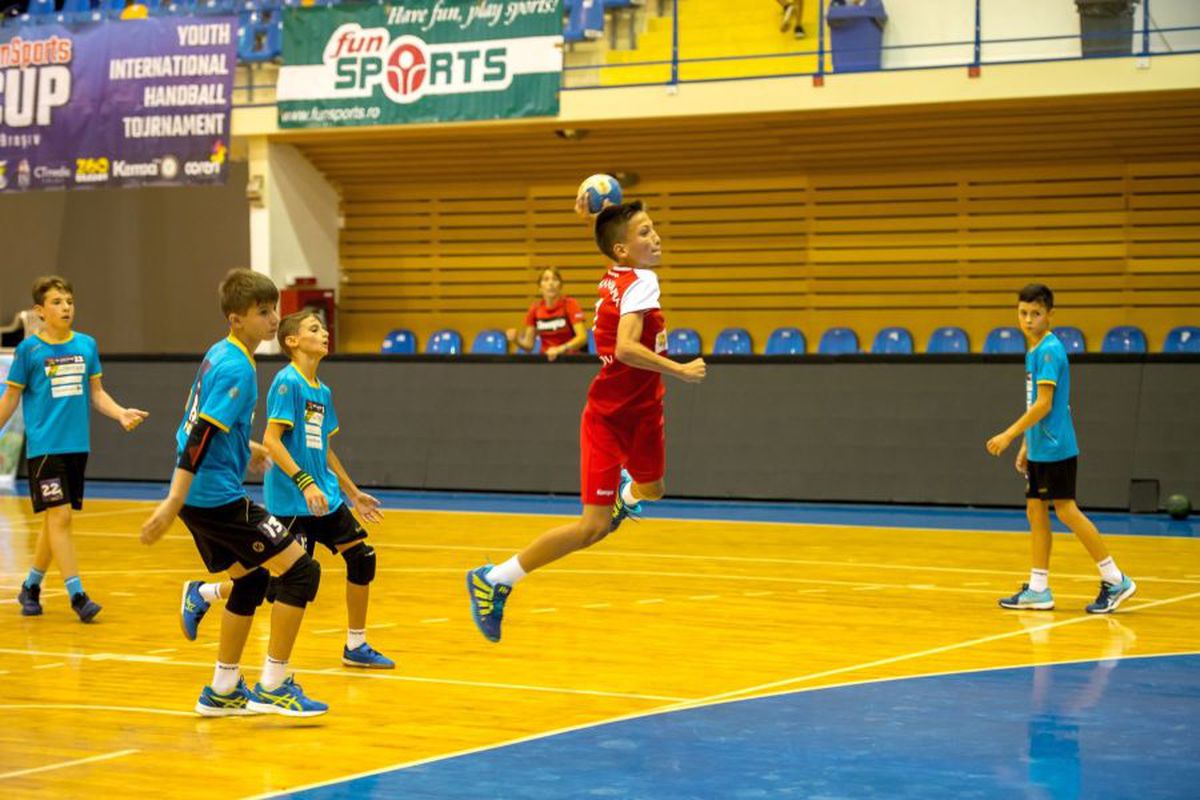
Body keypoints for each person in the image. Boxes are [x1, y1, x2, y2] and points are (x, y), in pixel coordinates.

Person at [466, 201, 707, 642]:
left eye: (654, 230)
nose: (655, 238)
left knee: (653, 489)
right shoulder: (641, 281)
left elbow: (612, 235)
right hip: (610, 417)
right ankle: (496, 577)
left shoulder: (618, 275)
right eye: (645, 233)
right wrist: (680, 369)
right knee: (591, 528)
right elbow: (628, 348)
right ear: (621, 250)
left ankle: (625, 495)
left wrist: (597, 207)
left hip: (645, 410)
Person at [140, 268, 328, 716]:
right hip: (213, 496)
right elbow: (199, 436)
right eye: (262, 312)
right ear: (235, 319)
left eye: (274, 310)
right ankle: (274, 684)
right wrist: (172, 501)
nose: (272, 320)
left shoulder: (221, 353)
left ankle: (223, 689)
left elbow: (203, 421)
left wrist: (250, 446)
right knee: (301, 572)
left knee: (253, 578)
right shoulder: (238, 366)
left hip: (204, 495)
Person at [179, 311, 393, 669]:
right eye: (314, 328)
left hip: (324, 497)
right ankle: (204, 593)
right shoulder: (286, 382)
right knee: (279, 585)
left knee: (362, 557)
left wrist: (353, 493)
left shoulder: (322, 391)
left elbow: (323, 447)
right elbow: (271, 441)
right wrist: (304, 482)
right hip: (293, 500)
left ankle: (356, 645)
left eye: (324, 328)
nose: (324, 333)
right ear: (292, 341)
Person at [1, 276, 148, 622]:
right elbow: (10, 400)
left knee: (56, 520)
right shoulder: (29, 351)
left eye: (69, 300)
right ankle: (77, 595)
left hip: (76, 447)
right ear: (40, 311)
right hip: (44, 449)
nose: (65, 307)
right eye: (56, 302)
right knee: (61, 517)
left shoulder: (86, 345)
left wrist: (120, 413)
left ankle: (31, 587)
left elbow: (96, 394)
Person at [986, 283, 1136, 614]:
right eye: (1023, 313)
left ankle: (1115, 578)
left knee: (1066, 509)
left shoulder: (1050, 351)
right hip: (1040, 447)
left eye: (1036, 314)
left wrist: (1009, 434)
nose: (1028, 320)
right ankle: (1039, 589)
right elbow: (1035, 402)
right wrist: (1027, 443)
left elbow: (1044, 404)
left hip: (1056, 449)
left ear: (1050, 315)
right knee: (1035, 511)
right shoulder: (1034, 350)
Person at [507, 267, 588, 361]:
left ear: (560, 286)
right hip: (546, 361)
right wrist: (516, 340)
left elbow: (582, 337)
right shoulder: (535, 309)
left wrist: (559, 349)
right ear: (540, 288)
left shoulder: (570, 304)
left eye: (555, 279)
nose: (551, 283)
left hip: (570, 360)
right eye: (546, 279)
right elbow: (529, 345)